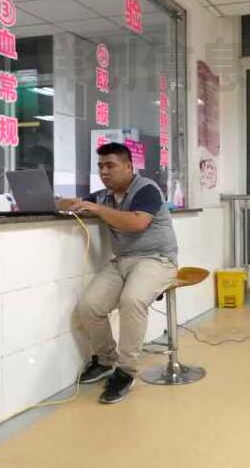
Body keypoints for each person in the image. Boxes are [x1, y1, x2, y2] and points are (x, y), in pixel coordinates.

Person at [57, 142, 178, 404]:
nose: (104, 172)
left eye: (110, 165)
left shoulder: (146, 189)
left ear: (128, 166)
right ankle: (105, 360)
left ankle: (125, 372)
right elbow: (66, 203)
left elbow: (137, 223)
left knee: (132, 301)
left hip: (157, 259)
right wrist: (68, 202)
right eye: (100, 166)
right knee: (89, 306)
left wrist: (98, 209)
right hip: (122, 261)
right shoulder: (104, 196)